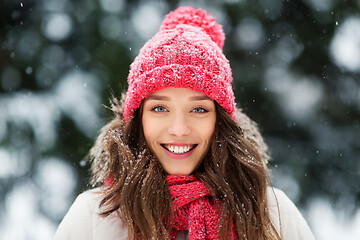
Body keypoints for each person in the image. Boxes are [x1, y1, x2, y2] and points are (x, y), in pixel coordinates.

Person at [54, 6, 315, 240]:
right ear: (138, 119)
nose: (179, 129)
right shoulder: (94, 217)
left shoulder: (271, 214)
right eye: (160, 108)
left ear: (220, 120)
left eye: (199, 109)